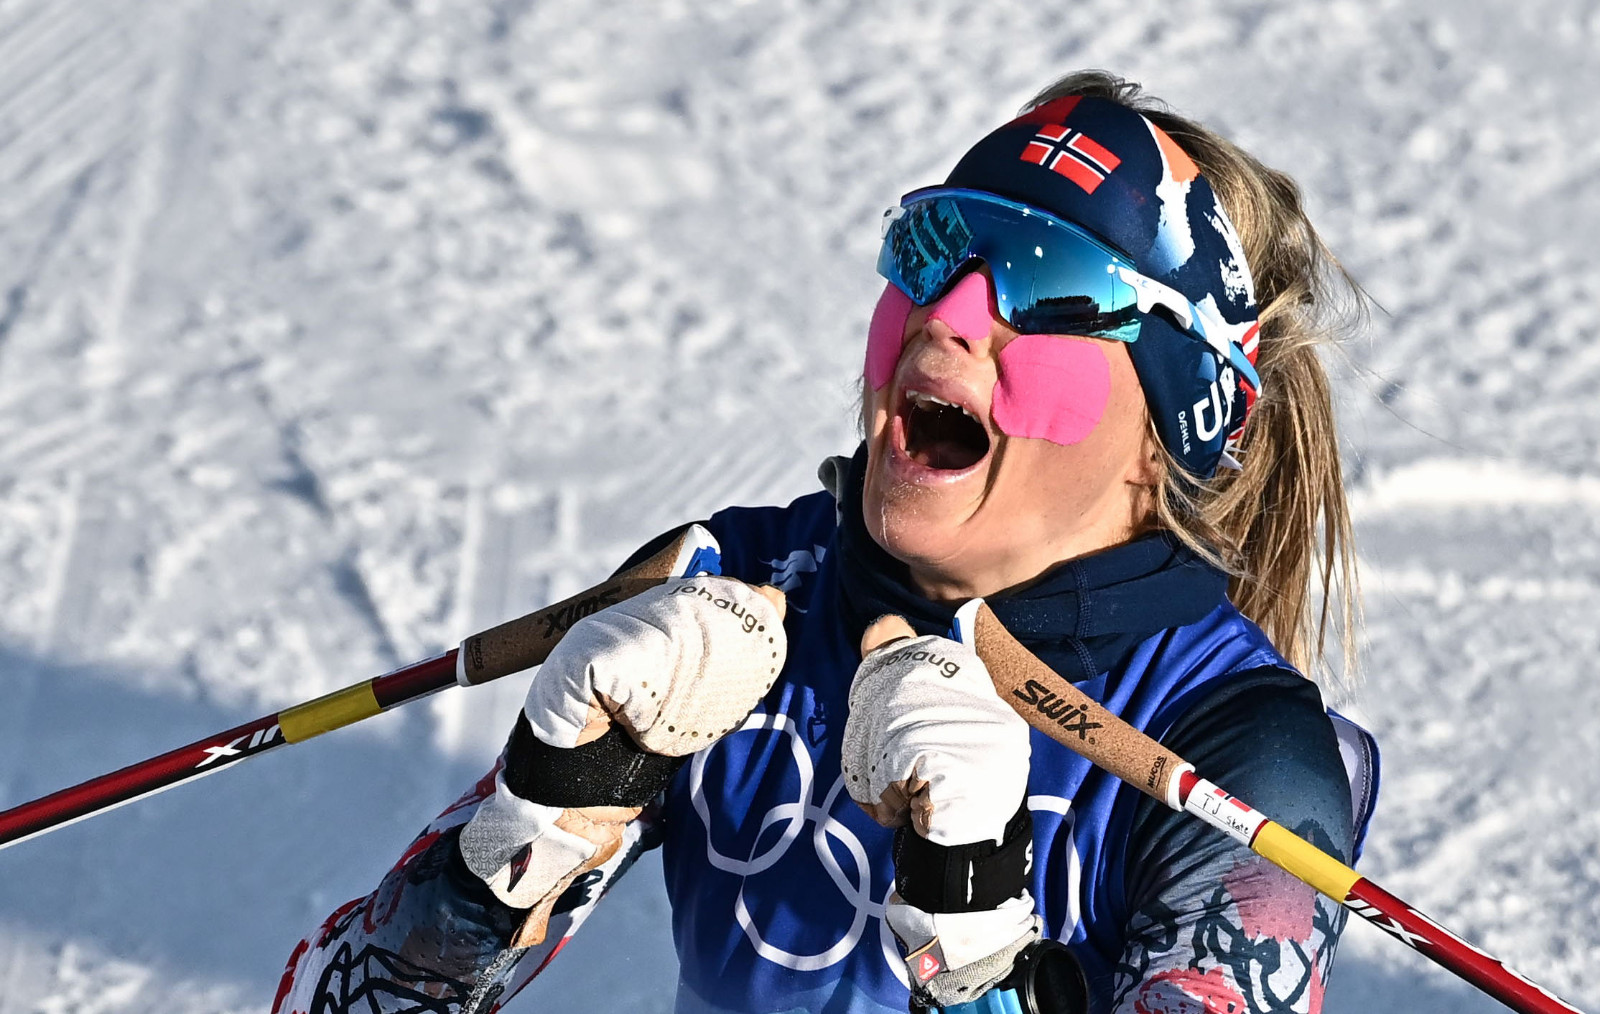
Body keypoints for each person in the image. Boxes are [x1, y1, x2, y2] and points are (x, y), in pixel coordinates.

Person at [271, 70, 1379, 1014]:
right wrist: (529, 829)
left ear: (1183, 422)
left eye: (1048, 283)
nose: (951, 312)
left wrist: (977, 948)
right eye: (936, 246)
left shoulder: (1244, 754)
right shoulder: (737, 597)